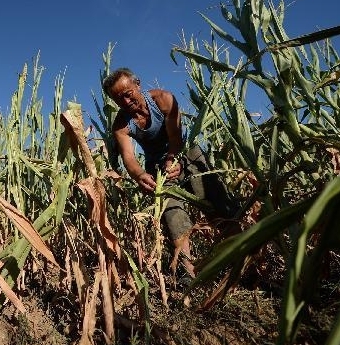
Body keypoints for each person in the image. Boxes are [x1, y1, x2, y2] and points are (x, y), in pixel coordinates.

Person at [102, 67, 240, 283]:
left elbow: (175, 138)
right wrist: (139, 175)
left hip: (186, 154)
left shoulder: (164, 99)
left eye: (128, 94)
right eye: (119, 100)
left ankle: (242, 258)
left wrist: (172, 158)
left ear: (137, 85)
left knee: (218, 203)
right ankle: (187, 273)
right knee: (173, 215)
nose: (126, 102)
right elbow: (129, 158)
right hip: (157, 167)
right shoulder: (121, 126)